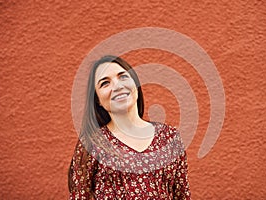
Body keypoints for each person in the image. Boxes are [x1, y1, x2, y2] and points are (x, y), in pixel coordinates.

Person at [68, 55, 191, 199]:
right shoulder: (92, 142)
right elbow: (80, 196)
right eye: (105, 83)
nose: (118, 86)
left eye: (123, 77)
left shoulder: (170, 137)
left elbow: (182, 195)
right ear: (98, 100)